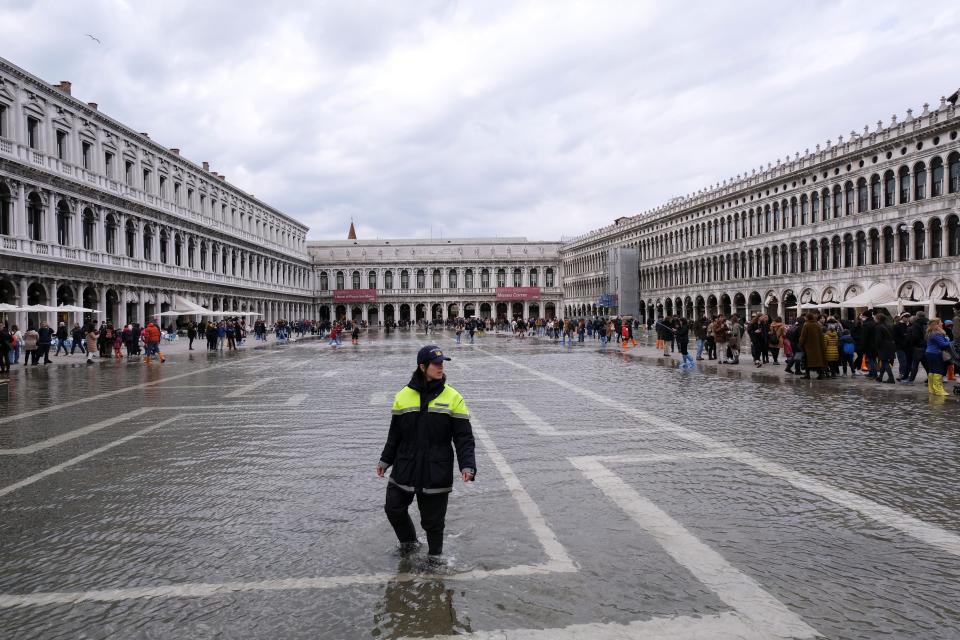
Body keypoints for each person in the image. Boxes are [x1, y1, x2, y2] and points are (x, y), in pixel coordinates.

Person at [377, 345, 476, 562]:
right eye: (436, 364)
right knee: (393, 508)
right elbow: (395, 433)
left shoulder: (453, 397)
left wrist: (467, 465)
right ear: (422, 367)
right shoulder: (403, 395)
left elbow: (463, 437)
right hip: (405, 464)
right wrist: (386, 459)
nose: (441, 368)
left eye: (442, 364)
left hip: (436, 466)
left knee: (433, 521)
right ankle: (409, 544)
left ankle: (435, 560)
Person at [924, 318, 952, 397]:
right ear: (936, 324)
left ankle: (932, 389)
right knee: (938, 371)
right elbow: (943, 345)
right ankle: (938, 390)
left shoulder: (930, 332)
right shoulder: (937, 333)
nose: (942, 323)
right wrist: (950, 341)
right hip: (936, 353)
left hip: (930, 353)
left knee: (932, 371)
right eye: (940, 322)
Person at [798, 313, 826, 379]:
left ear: (807, 318)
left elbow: (803, 336)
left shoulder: (806, 325)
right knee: (817, 361)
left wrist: (800, 343)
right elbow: (821, 336)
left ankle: (807, 375)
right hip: (817, 347)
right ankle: (820, 374)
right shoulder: (817, 325)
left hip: (808, 347)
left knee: (807, 361)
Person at [873, 312, 897, 384]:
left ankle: (891, 378)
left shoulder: (878, 327)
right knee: (884, 362)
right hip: (890, 345)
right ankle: (880, 377)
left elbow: (878, 339)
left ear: (878, 319)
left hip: (883, 346)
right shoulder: (888, 326)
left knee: (885, 362)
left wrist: (877, 347)